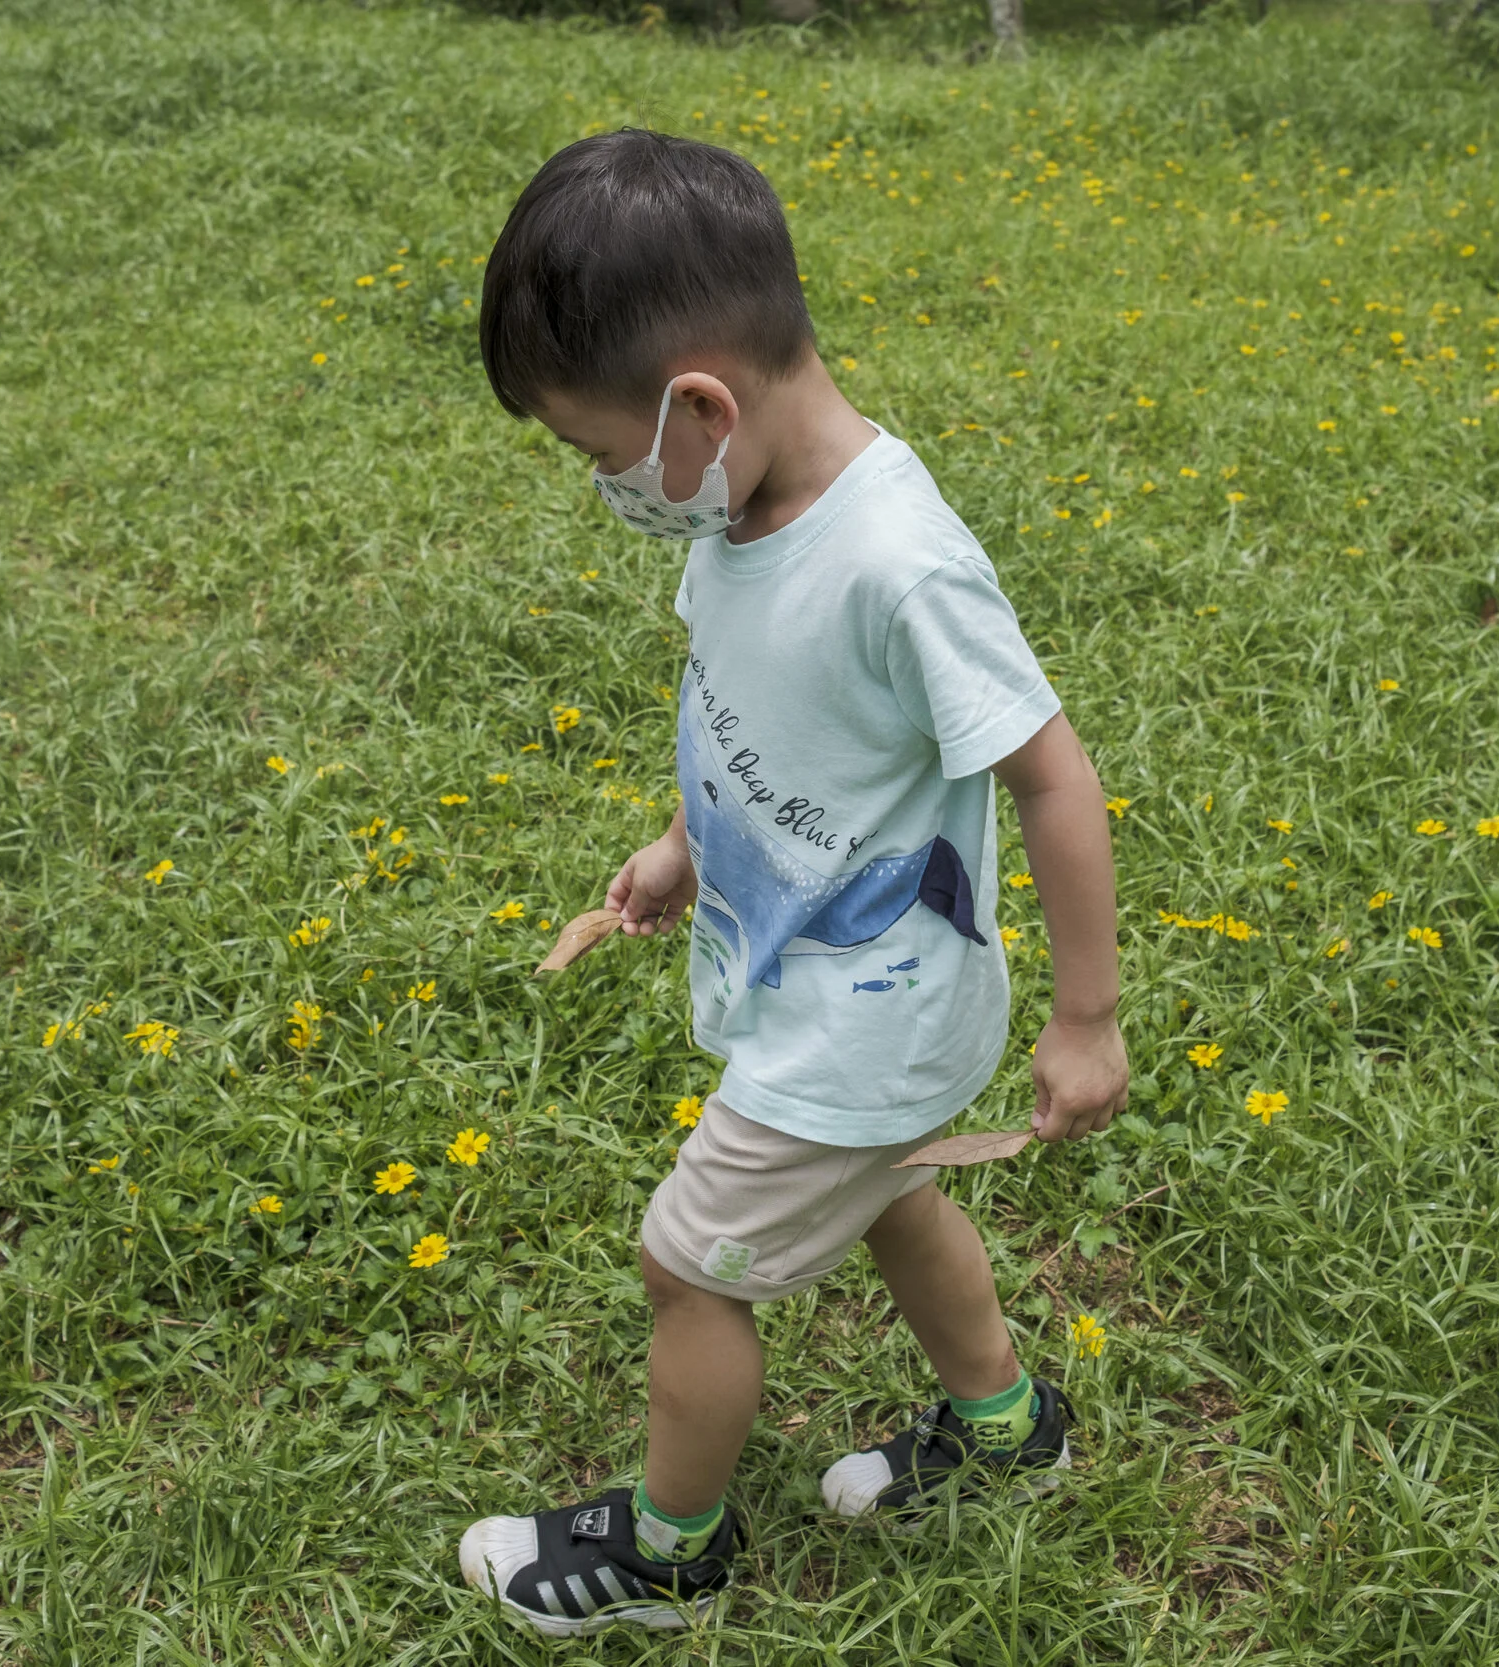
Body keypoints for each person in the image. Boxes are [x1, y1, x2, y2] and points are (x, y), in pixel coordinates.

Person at [458, 128, 1129, 1638]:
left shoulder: (897, 560)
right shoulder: (743, 503)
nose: (608, 489)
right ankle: (1010, 1430)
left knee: (687, 1266)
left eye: (600, 455)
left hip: (868, 1014)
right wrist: (689, 846)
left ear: (700, 403)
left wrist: (1087, 1018)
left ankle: (672, 1552)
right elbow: (755, 712)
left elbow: (1054, 777)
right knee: (894, 1195)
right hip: (839, 993)